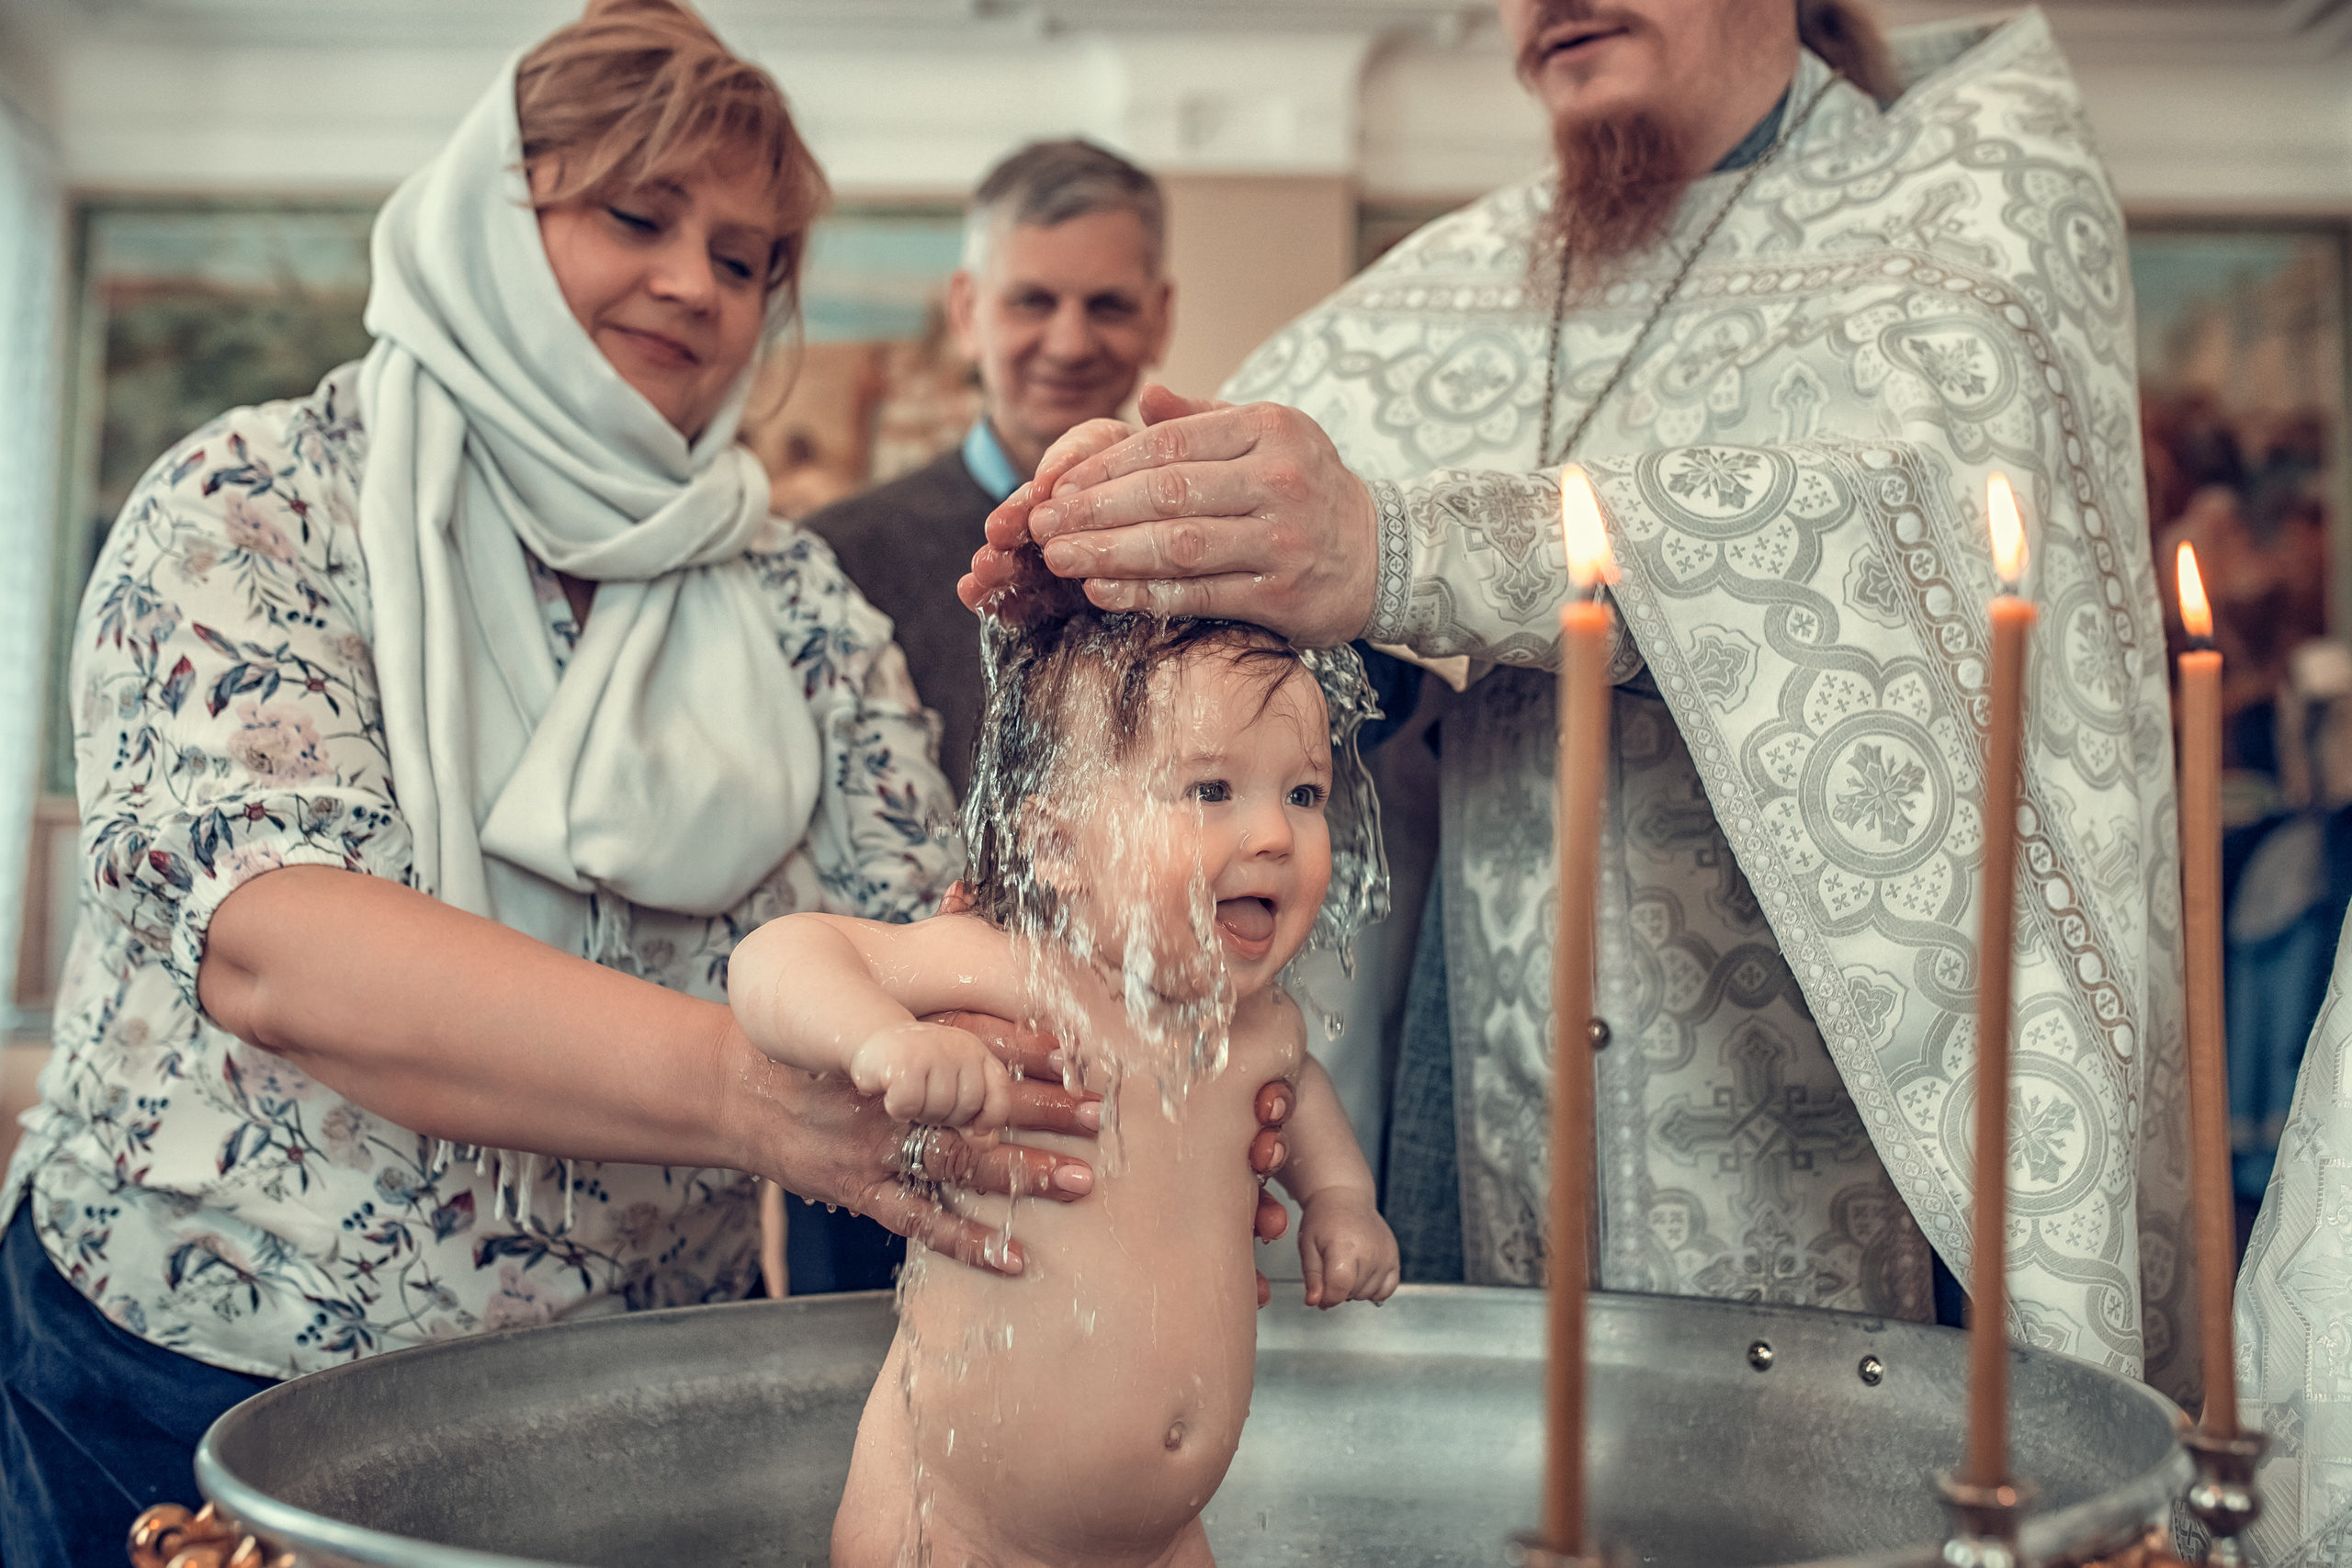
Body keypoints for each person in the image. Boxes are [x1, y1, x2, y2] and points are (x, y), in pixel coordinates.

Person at [0, 6, 1287, 1561]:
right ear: (491, 211)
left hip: (620, 1401)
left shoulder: (793, 596)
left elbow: (930, 935)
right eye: (637, 215)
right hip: (193, 1386)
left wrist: (1128, 1077)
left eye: (749, 261)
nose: (698, 283)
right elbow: (282, 947)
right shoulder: (257, 502)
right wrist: (749, 1094)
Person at [967, 0, 2201, 1404]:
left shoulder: (1970, 206)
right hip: (1462, 1056)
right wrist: (1134, 549)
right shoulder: (1457, 281)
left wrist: (1406, 546)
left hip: (1800, 1110)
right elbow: (1273, 609)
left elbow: (1911, 541)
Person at [729, 612, 1398, 1567]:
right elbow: (779, 956)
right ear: (1054, 847)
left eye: (1303, 792)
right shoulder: (1015, 971)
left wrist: (1341, 1200)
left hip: (1165, 1539)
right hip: (956, 1526)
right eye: (1210, 789)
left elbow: (1301, 1103)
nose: (1273, 834)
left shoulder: (1259, 1025)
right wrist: (878, 1040)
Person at [808, 139, 1173, 799]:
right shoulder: (839, 560)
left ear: (1160, 318)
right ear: (965, 313)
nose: (1069, 344)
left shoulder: (1198, 554)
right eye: (1032, 301)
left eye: (1109, 306)